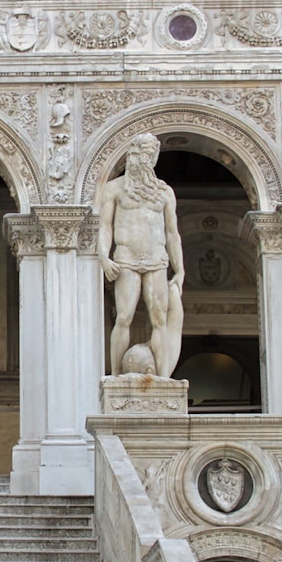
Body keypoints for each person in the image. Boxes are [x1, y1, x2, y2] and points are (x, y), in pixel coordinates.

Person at [97, 132, 184, 378]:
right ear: (132, 155)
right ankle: (115, 377)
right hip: (126, 259)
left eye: (152, 155)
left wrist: (180, 269)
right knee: (124, 317)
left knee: (159, 319)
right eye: (144, 154)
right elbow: (105, 226)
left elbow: (172, 233)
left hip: (157, 259)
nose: (148, 160)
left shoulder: (164, 192)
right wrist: (104, 256)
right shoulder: (114, 189)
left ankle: (164, 378)